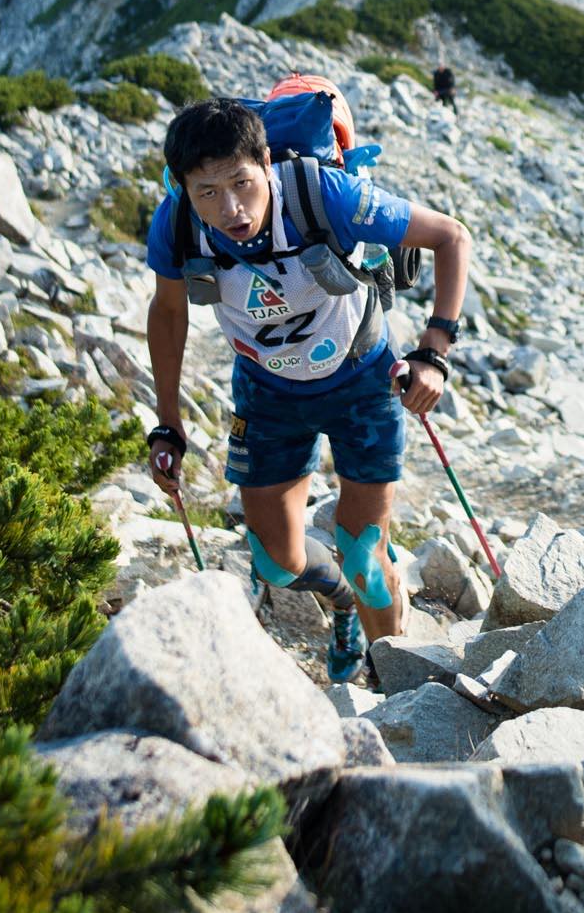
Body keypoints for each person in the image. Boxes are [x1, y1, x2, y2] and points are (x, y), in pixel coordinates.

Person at [142, 95, 473, 682]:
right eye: (208, 193)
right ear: (183, 188)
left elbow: (450, 237)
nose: (232, 208)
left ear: (266, 162)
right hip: (268, 393)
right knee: (274, 562)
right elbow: (169, 314)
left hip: (362, 379)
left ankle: (389, 688)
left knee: (366, 556)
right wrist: (168, 423)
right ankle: (343, 604)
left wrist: (433, 352)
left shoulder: (323, 194)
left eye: (242, 182)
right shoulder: (176, 224)